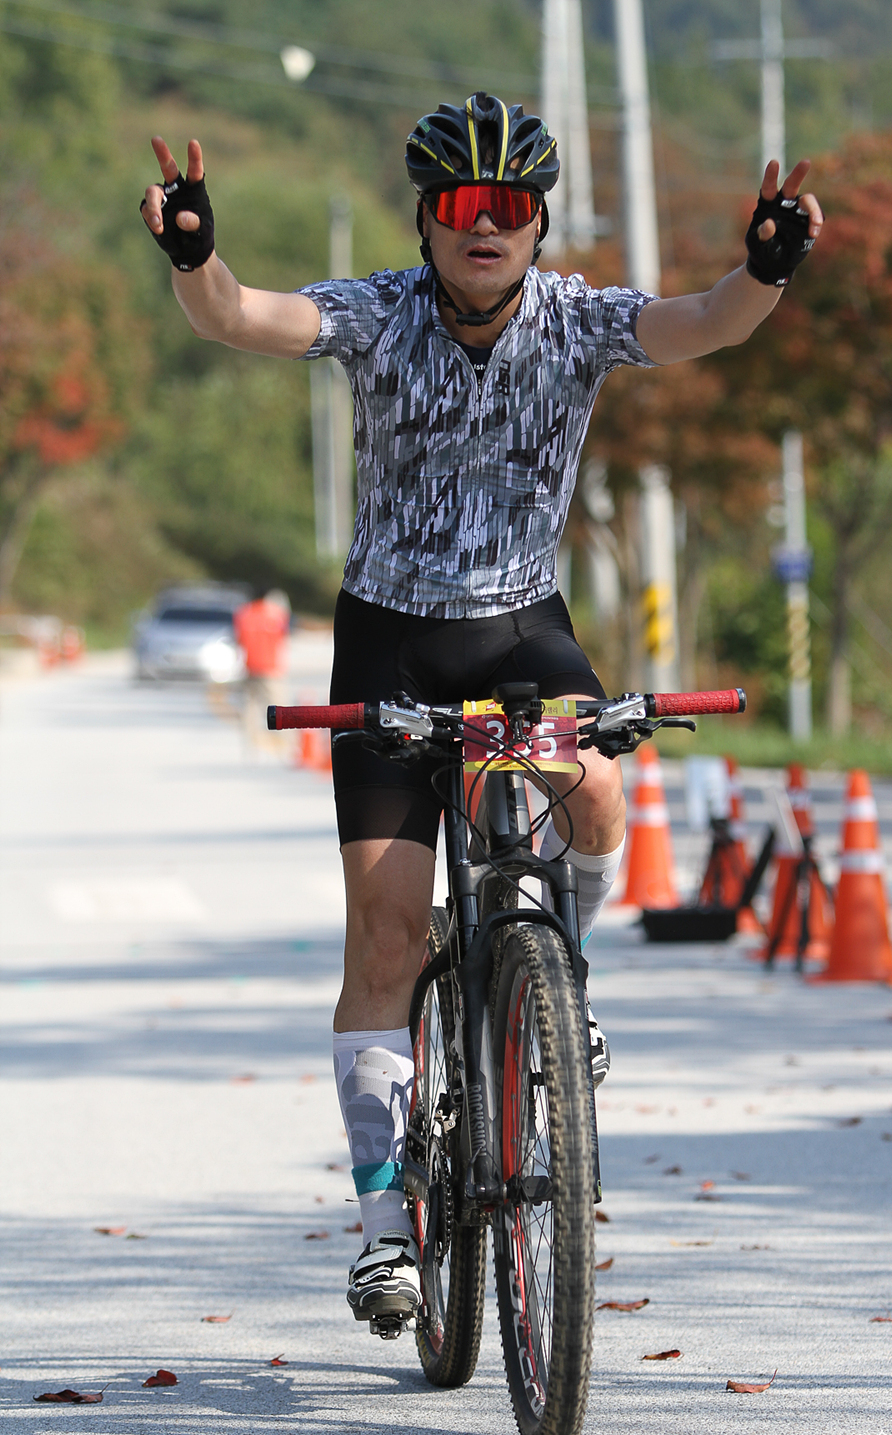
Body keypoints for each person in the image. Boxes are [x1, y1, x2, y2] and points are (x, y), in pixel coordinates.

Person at [141, 92, 823, 1327]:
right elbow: (242, 316)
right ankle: (384, 1229)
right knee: (386, 937)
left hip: (520, 631)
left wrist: (764, 271)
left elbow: (704, 323)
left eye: (508, 205)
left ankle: (559, 981)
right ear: (426, 220)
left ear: (536, 222)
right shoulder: (376, 314)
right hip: (390, 641)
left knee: (596, 786)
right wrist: (196, 254)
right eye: (460, 204)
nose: (484, 225)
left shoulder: (576, 320)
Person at [233, 588, 290, 751]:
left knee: (250, 706)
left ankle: (250, 741)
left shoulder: (244, 614)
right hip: (270, 667)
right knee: (279, 706)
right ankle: (285, 742)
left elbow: (239, 639)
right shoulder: (276, 613)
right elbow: (283, 636)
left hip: (250, 666)